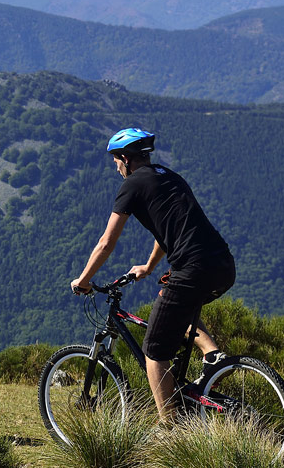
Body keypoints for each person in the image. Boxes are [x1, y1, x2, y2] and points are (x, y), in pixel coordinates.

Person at [72, 129, 236, 422]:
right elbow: (167, 229)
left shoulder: (132, 184)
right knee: (173, 304)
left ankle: (168, 427)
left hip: (193, 268)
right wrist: (148, 267)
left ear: (125, 158)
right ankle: (212, 356)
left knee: (155, 350)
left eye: (115, 160)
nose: (115, 166)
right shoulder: (170, 176)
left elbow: (106, 242)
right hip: (223, 265)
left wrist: (83, 280)